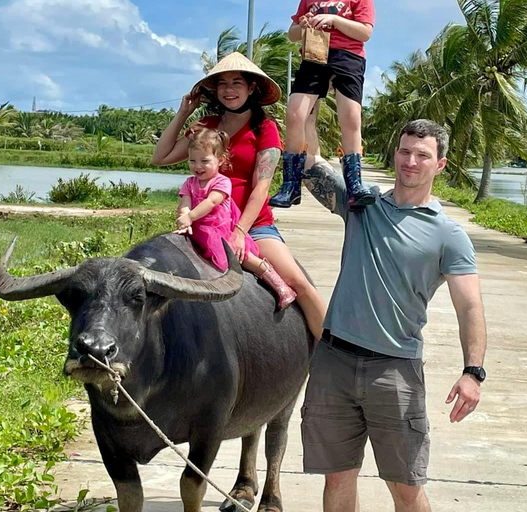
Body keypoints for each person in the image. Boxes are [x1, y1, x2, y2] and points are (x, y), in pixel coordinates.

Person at [300, 119, 488, 512]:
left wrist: (473, 372)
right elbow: (309, 162)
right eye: (405, 151)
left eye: (423, 155)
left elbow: (469, 306)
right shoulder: (361, 204)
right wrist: (311, 105)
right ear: (395, 154)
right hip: (334, 362)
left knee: (405, 485)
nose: (411, 161)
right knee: (336, 477)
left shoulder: (448, 235)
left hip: (395, 370)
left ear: (440, 165)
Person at [152, 52, 327, 339]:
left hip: (253, 225)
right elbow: (160, 158)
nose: (228, 90)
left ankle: (332, 352)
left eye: (236, 83)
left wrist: (239, 231)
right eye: (222, 84)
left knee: (298, 281)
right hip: (205, 225)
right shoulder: (205, 127)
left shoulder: (264, 129)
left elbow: (262, 188)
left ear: (252, 89)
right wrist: (183, 112)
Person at [270, 0, 376, 210]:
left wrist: (334, 20)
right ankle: (290, 185)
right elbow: (292, 34)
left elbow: (365, 32)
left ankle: (355, 185)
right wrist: (303, 25)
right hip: (313, 54)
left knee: (351, 117)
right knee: (294, 115)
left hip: (348, 56)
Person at [175, 127, 297, 310]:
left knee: (245, 257)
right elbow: (185, 202)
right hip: (197, 230)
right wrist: (183, 216)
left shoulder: (222, 182)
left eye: (204, 161)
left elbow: (211, 202)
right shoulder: (189, 183)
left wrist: (190, 216)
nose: (197, 166)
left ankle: (279, 285)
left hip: (219, 231)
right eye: (192, 161)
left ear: (220, 160)